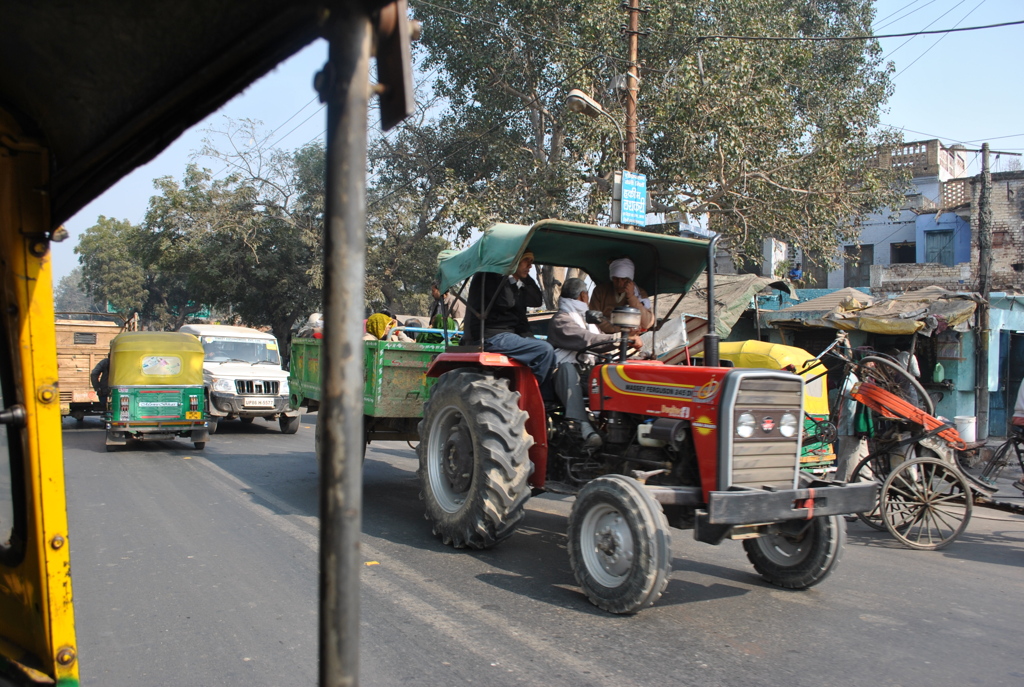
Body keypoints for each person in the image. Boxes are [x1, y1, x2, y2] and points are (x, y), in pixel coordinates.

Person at [548, 278, 642, 449]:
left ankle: (624, 428)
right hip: (563, 376)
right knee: (567, 369)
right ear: (584, 296)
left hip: (586, 375)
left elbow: (601, 348)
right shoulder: (561, 320)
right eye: (587, 295)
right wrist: (620, 339)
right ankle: (583, 427)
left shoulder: (587, 320)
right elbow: (588, 340)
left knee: (613, 371)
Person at [461, 250, 556, 385]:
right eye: (526, 261)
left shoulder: (516, 285)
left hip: (509, 336)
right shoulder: (489, 278)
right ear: (513, 261)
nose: (529, 266)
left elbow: (535, 302)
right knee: (544, 350)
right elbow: (506, 301)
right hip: (491, 336)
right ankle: (542, 399)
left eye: (531, 262)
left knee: (549, 350)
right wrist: (512, 274)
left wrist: (523, 277)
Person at [589, 257, 655, 334]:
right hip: (604, 336)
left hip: (631, 339)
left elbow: (646, 323)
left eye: (624, 280)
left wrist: (631, 297)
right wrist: (621, 329)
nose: (619, 284)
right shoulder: (600, 291)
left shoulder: (640, 293)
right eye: (616, 279)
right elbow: (594, 318)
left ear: (630, 280)